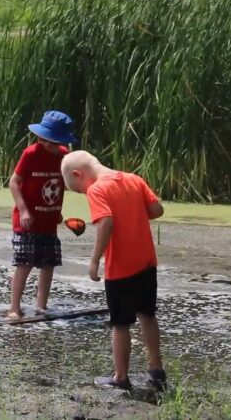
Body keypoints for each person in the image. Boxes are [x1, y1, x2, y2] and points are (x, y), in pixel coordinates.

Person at [60, 150, 166, 391]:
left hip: (121, 268)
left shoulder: (97, 189)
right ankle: (156, 368)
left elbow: (106, 222)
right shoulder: (133, 179)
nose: (82, 193)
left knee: (120, 324)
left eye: (77, 189)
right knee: (147, 315)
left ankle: (120, 376)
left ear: (78, 175)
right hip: (147, 262)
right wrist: (133, 214)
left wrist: (94, 260)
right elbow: (157, 210)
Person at [7, 111, 78, 319]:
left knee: (49, 264)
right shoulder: (31, 154)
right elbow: (14, 182)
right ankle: (14, 307)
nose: (48, 145)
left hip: (49, 220)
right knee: (24, 264)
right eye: (44, 140)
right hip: (27, 222)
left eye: (53, 142)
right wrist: (24, 210)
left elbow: (59, 186)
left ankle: (41, 306)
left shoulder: (64, 156)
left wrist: (58, 211)